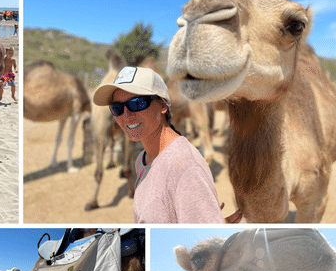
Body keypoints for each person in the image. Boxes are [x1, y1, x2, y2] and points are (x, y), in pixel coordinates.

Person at [92, 66, 242, 223]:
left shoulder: (184, 166)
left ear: (163, 105)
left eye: (137, 103)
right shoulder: (142, 160)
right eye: (116, 108)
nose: (126, 115)